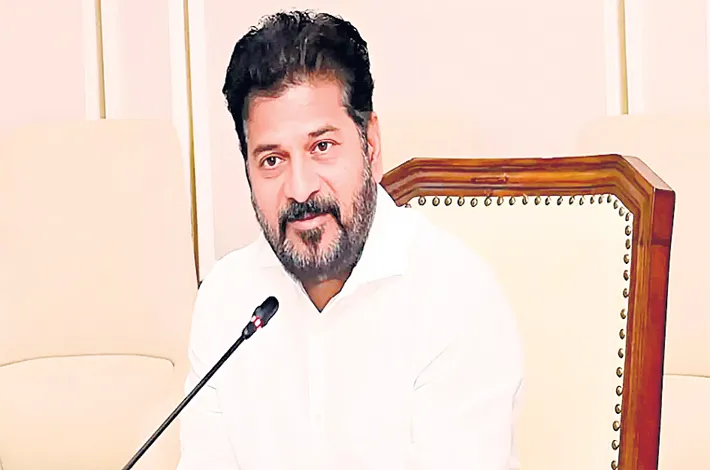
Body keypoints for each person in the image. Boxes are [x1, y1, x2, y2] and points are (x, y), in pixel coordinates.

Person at [177, 10, 523, 470]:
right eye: (272, 160)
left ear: (370, 146)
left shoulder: (455, 295)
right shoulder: (227, 301)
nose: (301, 189)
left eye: (322, 147)